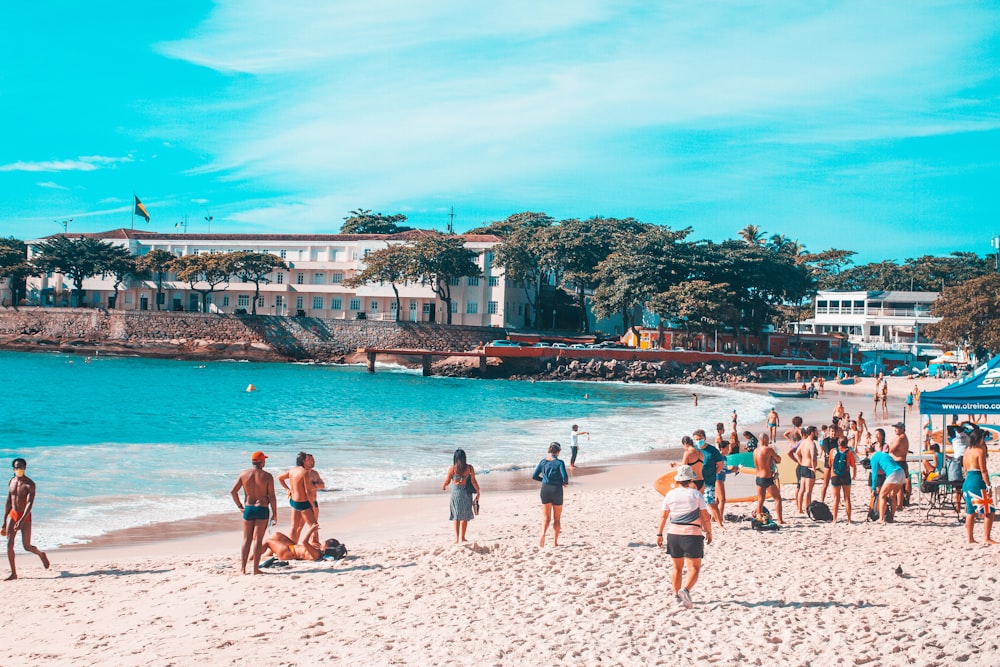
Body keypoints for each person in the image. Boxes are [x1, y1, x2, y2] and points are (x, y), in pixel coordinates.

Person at [656, 464, 713, 609]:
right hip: (691, 534)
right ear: (691, 479)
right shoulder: (696, 494)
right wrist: (709, 531)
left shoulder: (670, 494)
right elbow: (705, 516)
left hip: (673, 534)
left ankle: (676, 595)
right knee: (694, 567)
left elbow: (663, 516)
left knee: (677, 567)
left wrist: (659, 533)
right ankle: (685, 590)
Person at [231, 451, 278, 575]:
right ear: (262, 461)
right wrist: (275, 513)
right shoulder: (267, 476)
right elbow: (272, 496)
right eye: (264, 460)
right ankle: (255, 569)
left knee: (246, 539)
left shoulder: (244, 474)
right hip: (262, 509)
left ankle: (243, 569)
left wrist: (240, 506)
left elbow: (233, 492)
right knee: (258, 539)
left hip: (248, 509)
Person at [4, 458, 50, 580]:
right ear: (13, 469)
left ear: (25, 468)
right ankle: (14, 573)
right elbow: (8, 501)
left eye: (21, 467)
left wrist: (22, 520)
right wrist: (4, 521)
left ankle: (41, 554)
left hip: (25, 516)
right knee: (9, 544)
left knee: (27, 546)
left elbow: (30, 503)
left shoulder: (30, 484)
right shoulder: (11, 481)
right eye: (16, 467)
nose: (18, 470)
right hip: (13, 515)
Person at [278, 452, 325, 545]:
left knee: (294, 527)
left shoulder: (293, 471)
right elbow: (307, 491)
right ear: (304, 461)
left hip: (294, 502)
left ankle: (291, 546)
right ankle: (315, 545)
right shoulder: (304, 473)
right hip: (305, 502)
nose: (313, 461)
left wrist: (289, 489)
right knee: (314, 525)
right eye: (309, 459)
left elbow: (280, 478)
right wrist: (312, 506)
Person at [961, 426, 995, 544]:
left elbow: (965, 469)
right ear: (980, 438)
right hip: (976, 481)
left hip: (967, 482)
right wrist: (989, 486)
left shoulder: (967, 451)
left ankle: (970, 538)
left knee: (970, 512)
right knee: (989, 511)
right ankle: (987, 538)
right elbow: (983, 470)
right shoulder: (979, 451)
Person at [532, 442, 569, 547]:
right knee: (557, 518)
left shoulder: (543, 462)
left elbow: (534, 476)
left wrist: (544, 480)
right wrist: (564, 483)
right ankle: (555, 542)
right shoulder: (560, 463)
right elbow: (565, 477)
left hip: (545, 490)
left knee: (545, 517)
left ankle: (543, 534)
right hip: (556, 490)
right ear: (558, 451)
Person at [442, 448, 480, 543]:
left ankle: (456, 538)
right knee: (464, 517)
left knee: (456, 517)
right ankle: (462, 537)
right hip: (466, 494)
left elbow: (447, 481)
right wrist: (478, 491)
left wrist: (444, 486)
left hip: (456, 495)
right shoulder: (470, 468)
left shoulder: (452, 469)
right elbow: (473, 481)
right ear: (464, 458)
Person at [693, 429, 724, 527]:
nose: (698, 441)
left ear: (705, 438)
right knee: (696, 504)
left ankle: (720, 524)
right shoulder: (694, 450)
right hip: (696, 481)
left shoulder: (712, 450)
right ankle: (700, 524)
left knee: (711, 503)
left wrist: (712, 473)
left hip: (709, 481)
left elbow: (720, 465)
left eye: (700, 439)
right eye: (696, 439)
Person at [752, 433, 783, 524]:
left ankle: (758, 517)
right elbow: (778, 460)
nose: (769, 441)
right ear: (764, 439)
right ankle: (780, 520)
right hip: (767, 478)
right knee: (777, 498)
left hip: (758, 477)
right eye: (768, 439)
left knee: (760, 499)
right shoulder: (768, 450)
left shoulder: (755, 451)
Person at [869, 448, 905, 524]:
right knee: (892, 496)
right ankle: (891, 517)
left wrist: (873, 488)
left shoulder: (874, 458)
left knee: (882, 495)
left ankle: (881, 519)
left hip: (893, 473)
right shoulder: (884, 454)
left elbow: (874, 474)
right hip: (901, 472)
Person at [263, 526, 338, 562]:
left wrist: (311, 530)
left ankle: (252, 557)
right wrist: (315, 531)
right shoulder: (319, 549)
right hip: (292, 547)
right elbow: (314, 540)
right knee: (277, 535)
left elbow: (304, 542)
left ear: (326, 547)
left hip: (288, 553)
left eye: (325, 542)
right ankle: (268, 555)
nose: (323, 542)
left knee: (267, 541)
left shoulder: (317, 554)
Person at [828, 437, 856, 523]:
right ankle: (849, 519)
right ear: (846, 443)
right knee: (847, 498)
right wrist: (854, 475)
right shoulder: (849, 452)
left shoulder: (832, 451)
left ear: (838, 443)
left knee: (836, 498)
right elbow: (852, 465)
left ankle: (834, 519)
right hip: (845, 475)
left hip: (835, 475)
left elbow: (830, 464)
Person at [795, 426, 819, 515]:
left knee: (802, 489)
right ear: (812, 433)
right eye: (816, 432)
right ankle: (807, 509)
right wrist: (814, 468)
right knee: (808, 491)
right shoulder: (811, 444)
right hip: (809, 468)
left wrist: (801, 462)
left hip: (803, 467)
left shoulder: (803, 442)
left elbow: (797, 453)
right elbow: (813, 457)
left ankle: (799, 508)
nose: (817, 433)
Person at [888, 422, 911, 510]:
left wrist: (892, 443)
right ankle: (900, 503)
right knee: (899, 485)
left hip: (899, 462)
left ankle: (899, 504)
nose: (895, 429)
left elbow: (891, 449)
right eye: (895, 427)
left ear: (902, 429)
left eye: (897, 428)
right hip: (900, 462)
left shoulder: (901, 438)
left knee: (898, 485)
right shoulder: (900, 437)